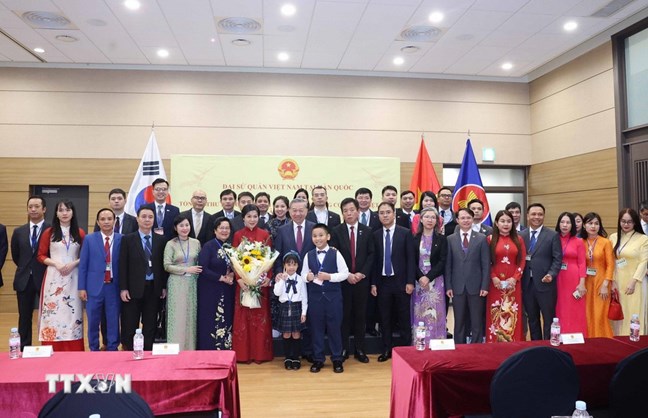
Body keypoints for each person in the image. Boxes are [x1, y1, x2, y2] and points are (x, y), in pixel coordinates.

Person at [37, 199, 86, 351]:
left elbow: (86, 256)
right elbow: (40, 255)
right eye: (61, 210)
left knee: (72, 313)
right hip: (54, 277)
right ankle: (52, 348)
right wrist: (55, 263)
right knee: (52, 313)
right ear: (56, 213)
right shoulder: (49, 233)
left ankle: (74, 349)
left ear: (73, 213)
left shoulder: (80, 232)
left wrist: (74, 263)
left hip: (74, 277)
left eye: (68, 210)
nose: (64, 213)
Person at [330, 197, 375, 363]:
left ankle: (360, 349)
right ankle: (344, 349)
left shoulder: (367, 230)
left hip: (361, 281)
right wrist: (347, 274)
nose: (349, 213)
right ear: (342, 213)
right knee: (344, 316)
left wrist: (362, 273)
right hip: (344, 281)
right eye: (345, 211)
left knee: (360, 315)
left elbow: (371, 255)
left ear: (358, 211)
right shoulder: (336, 231)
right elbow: (334, 255)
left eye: (351, 210)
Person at [119, 206, 168, 350]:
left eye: (150, 217)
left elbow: (162, 266)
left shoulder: (161, 240)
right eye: (144, 216)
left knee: (150, 322)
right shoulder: (128, 239)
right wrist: (123, 288)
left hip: (154, 288)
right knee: (130, 322)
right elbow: (123, 265)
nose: (147, 220)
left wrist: (163, 286)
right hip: (133, 288)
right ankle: (129, 350)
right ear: (137, 219)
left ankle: (147, 351)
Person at [302, 223, 349, 373]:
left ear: (328, 237)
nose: (318, 238)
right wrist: (307, 277)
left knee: (335, 328)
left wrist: (330, 277)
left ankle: (337, 359)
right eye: (315, 236)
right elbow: (302, 275)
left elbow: (345, 273)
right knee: (316, 329)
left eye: (321, 235)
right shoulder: (308, 255)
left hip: (333, 298)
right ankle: (318, 359)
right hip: (315, 299)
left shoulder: (336, 253)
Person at [371, 202, 415, 361]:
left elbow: (411, 259)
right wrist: (373, 283)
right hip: (383, 282)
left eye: (388, 212)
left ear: (394, 214)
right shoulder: (375, 235)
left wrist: (410, 281)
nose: (385, 215)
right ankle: (386, 349)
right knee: (385, 318)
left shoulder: (405, 233)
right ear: (378, 215)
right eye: (382, 213)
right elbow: (374, 261)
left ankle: (406, 350)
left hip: (401, 282)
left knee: (404, 317)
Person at [232, 204, 274, 363]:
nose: (252, 219)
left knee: (259, 317)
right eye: (249, 216)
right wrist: (240, 278)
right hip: (243, 284)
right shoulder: (238, 235)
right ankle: (243, 355)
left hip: (260, 284)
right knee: (244, 318)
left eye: (255, 216)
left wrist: (266, 277)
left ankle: (260, 355)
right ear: (243, 218)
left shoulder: (265, 234)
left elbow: (269, 259)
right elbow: (234, 260)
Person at [78, 208, 122, 351]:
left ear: (114, 221)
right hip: (93, 287)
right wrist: (82, 287)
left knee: (113, 320)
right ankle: (94, 348)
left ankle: (112, 348)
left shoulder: (122, 239)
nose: (106, 222)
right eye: (102, 219)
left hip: (114, 287)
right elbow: (83, 265)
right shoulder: (89, 239)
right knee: (93, 321)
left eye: (109, 219)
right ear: (97, 222)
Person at [445, 208, 490, 344]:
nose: (466, 220)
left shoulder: (481, 238)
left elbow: (486, 264)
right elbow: (448, 265)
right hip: (457, 286)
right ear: (457, 220)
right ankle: (459, 347)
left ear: (473, 219)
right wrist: (448, 286)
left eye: (468, 218)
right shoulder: (450, 239)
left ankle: (476, 347)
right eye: (462, 218)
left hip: (476, 287)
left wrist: (484, 286)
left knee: (476, 321)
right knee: (459, 321)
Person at [11, 195, 49, 350]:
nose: (33, 209)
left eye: (37, 207)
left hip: (45, 278)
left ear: (44, 209)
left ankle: (47, 345)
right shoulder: (19, 231)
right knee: (24, 316)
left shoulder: (52, 229)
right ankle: (24, 347)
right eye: (30, 207)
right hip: (24, 279)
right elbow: (16, 256)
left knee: (48, 315)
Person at [521, 203, 562, 340]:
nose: (536, 217)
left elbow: (557, 259)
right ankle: (536, 345)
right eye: (533, 214)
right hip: (527, 284)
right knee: (532, 319)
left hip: (546, 284)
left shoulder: (552, 235)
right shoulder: (521, 236)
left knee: (548, 319)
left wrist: (551, 274)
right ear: (527, 216)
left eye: (540, 214)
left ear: (544, 216)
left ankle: (549, 346)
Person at [486, 210, 526, 343]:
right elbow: (486, 261)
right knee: (496, 311)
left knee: (512, 312)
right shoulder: (490, 239)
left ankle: (513, 342)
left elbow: (522, 260)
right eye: (502, 221)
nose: (506, 224)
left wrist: (515, 278)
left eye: (509, 221)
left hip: (513, 283)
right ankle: (494, 342)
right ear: (496, 223)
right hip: (495, 283)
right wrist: (493, 277)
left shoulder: (519, 239)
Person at [163, 214, 202, 350]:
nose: (185, 228)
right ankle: (175, 348)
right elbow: (167, 266)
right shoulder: (170, 244)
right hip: (176, 283)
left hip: (192, 283)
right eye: (181, 226)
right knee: (177, 316)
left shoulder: (196, 243)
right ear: (175, 228)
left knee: (190, 316)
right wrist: (186, 269)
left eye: (187, 225)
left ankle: (190, 349)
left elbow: (199, 262)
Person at [197, 217, 235, 350]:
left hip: (227, 290)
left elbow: (234, 266)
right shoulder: (209, 246)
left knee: (226, 317)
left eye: (227, 228)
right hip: (210, 290)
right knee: (210, 318)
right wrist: (221, 278)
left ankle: (225, 347)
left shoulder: (230, 247)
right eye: (221, 228)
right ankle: (209, 349)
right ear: (215, 230)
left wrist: (232, 274)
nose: (224, 231)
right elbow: (203, 268)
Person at [609, 208, 648, 335]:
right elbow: (610, 261)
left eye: (629, 222)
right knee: (618, 312)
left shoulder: (643, 239)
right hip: (617, 281)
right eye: (623, 221)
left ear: (635, 222)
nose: (626, 224)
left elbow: (644, 262)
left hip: (635, 282)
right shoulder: (613, 237)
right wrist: (612, 280)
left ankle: (634, 339)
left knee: (633, 311)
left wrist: (634, 281)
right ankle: (618, 339)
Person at [412, 207, 447, 343]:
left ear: (437, 221)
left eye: (433, 217)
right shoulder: (414, 239)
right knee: (420, 312)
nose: (430, 220)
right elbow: (411, 261)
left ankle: (437, 342)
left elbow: (443, 261)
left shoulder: (442, 239)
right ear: (421, 219)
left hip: (436, 282)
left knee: (436, 313)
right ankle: (420, 342)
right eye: (427, 217)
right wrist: (420, 277)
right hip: (418, 282)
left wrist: (428, 277)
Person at [581, 212, 614, 338]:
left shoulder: (605, 242)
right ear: (584, 225)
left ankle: (603, 341)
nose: (593, 226)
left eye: (596, 223)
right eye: (590, 223)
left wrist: (606, 284)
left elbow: (610, 265)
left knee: (600, 314)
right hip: (586, 283)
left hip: (601, 282)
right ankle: (589, 340)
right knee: (587, 313)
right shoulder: (581, 242)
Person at [554, 212, 588, 335]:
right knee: (560, 307)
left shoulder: (578, 241)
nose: (565, 225)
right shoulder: (553, 239)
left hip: (573, 278)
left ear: (572, 225)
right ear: (558, 224)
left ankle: (576, 335)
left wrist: (582, 283)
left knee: (575, 307)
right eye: (562, 222)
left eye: (568, 222)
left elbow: (582, 263)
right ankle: (560, 335)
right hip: (557, 277)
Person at [274, 251, 308, 370]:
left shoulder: (300, 279)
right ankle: (288, 357)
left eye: (294, 264)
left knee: (296, 333)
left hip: (296, 307)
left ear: (298, 266)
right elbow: (277, 293)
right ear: (284, 265)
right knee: (286, 333)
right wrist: (282, 280)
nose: (291, 267)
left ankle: (296, 358)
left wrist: (304, 312)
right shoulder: (280, 278)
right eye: (289, 264)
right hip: (284, 307)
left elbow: (304, 297)